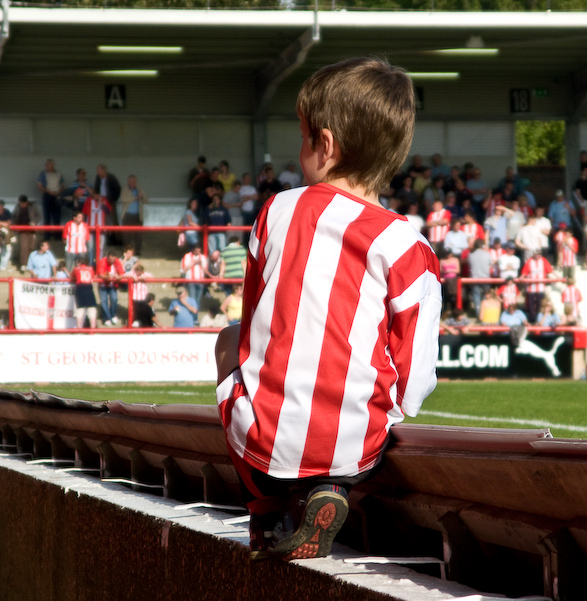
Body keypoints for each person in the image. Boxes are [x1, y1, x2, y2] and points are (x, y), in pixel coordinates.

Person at [213, 57, 441, 561]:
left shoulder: (276, 211)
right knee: (357, 406)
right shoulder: (407, 244)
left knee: (226, 340)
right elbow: (416, 369)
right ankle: (333, 487)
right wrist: (397, 408)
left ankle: (263, 509)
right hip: (358, 447)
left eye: (302, 137)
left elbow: (252, 327)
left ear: (326, 145)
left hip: (263, 440)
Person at [119, 175, 149, 256]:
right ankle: (126, 253)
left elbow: (146, 200)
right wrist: (134, 198)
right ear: (128, 182)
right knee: (126, 236)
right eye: (131, 181)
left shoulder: (139, 189)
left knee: (138, 235)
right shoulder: (125, 189)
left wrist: (142, 196)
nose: (133, 183)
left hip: (137, 216)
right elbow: (123, 199)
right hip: (127, 215)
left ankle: (137, 253)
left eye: (134, 182)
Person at [96, 249, 125, 326]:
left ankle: (113, 315)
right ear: (107, 258)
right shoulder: (102, 261)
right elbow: (101, 275)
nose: (112, 261)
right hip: (103, 285)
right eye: (110, 259)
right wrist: (110, 276)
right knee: (104, 301)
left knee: (114, 299)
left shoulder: (117, 261)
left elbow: (122, 273)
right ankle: (107, 318)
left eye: (113, 259)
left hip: (113, 285)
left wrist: (118, 277)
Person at [37, 158, 64, 237]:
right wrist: (48, 191)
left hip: (56, 195)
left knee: (57, 216)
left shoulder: (58, 174)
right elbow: (39, 186)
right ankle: (47, 234)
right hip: (47, 195)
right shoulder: (43, 174)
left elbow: (62, 186)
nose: (46, 166)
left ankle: (57, 234)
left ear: (52, 165)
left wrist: (58, 192)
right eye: (46, 164)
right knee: (47, 216)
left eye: (48, 164)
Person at [11, 195, 41, 269]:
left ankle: (30, 264)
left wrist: (34, 222)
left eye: (23, 203)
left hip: (31, 230)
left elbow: (39, 216)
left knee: (31, 247)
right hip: (22, 230)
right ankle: (23, 264)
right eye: (21, 203)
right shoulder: (18, 207)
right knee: (23, 247)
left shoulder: (32, 206)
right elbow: (13, 216)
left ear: (26, 202)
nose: (22, 205)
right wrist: (14, 224)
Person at [180, 245, 210, 314]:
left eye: (199, 251)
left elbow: (205, 271)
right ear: (193, 250)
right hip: (191, 281)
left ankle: (195, 317)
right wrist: (193, 263)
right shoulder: (187, 256)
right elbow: (184, 269)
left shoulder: (202, 257)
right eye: (196, 251)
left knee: (198, 300)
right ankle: (193, 317)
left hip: (200, 281)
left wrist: (201, 264)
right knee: (192, 299)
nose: (197, 253)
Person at [71, 257, 98, 329]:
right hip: (89, 289)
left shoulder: (76, 269)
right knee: (92, 311)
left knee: (79, 311)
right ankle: (93, 330)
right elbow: (93, 276)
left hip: (80, 289)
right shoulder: (90, 269)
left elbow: (72, 277)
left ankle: (79, 329)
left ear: (79, 263)